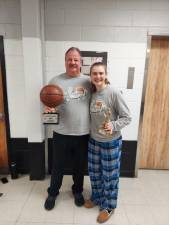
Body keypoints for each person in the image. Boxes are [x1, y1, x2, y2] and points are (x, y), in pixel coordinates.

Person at [84, 62, 131, 223]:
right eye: (94, 73)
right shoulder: (92, 93)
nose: (98, 76)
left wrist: (114, 124)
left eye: (100, 73)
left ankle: (109, 206)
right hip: (94, 141)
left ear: (106, 74)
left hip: (111, 142)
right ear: (90, 76)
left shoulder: (113, 92)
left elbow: (127, 117)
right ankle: (97, 198)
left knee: (110, 177)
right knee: (95, 174)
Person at [44, 47, 91, 210]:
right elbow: (50, 103)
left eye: (76, 59)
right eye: (69, 59)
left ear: (81, 62)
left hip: (83, 133)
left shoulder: (88, 81)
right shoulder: (55, 81)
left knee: (79, 166)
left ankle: (77, 191)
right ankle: (52, 193)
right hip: (61, 132)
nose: (72, 62)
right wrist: (50, 109)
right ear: (65, 61)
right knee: (58, 165)